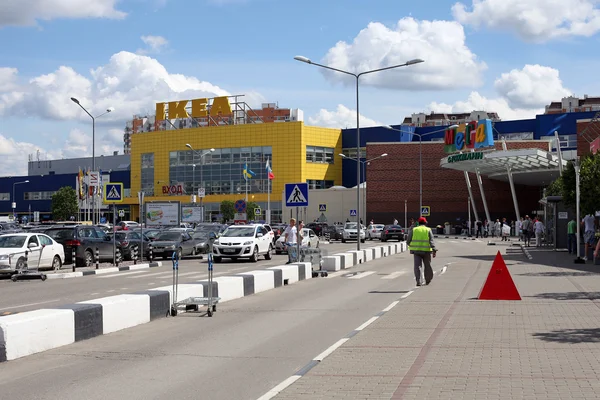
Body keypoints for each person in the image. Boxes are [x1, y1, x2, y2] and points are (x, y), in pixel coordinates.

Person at [407, 217, 437, 287]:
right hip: (426, 251)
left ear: (418, 223)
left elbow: (408, 240)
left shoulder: (414, 230)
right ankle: (428, 279)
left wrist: (411, 245)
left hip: (416, 251)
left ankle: (418, 281)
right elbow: (431, 241)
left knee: (417, 266)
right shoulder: (428, 230)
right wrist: (434, 250)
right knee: (427, 265)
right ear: (425, 223)